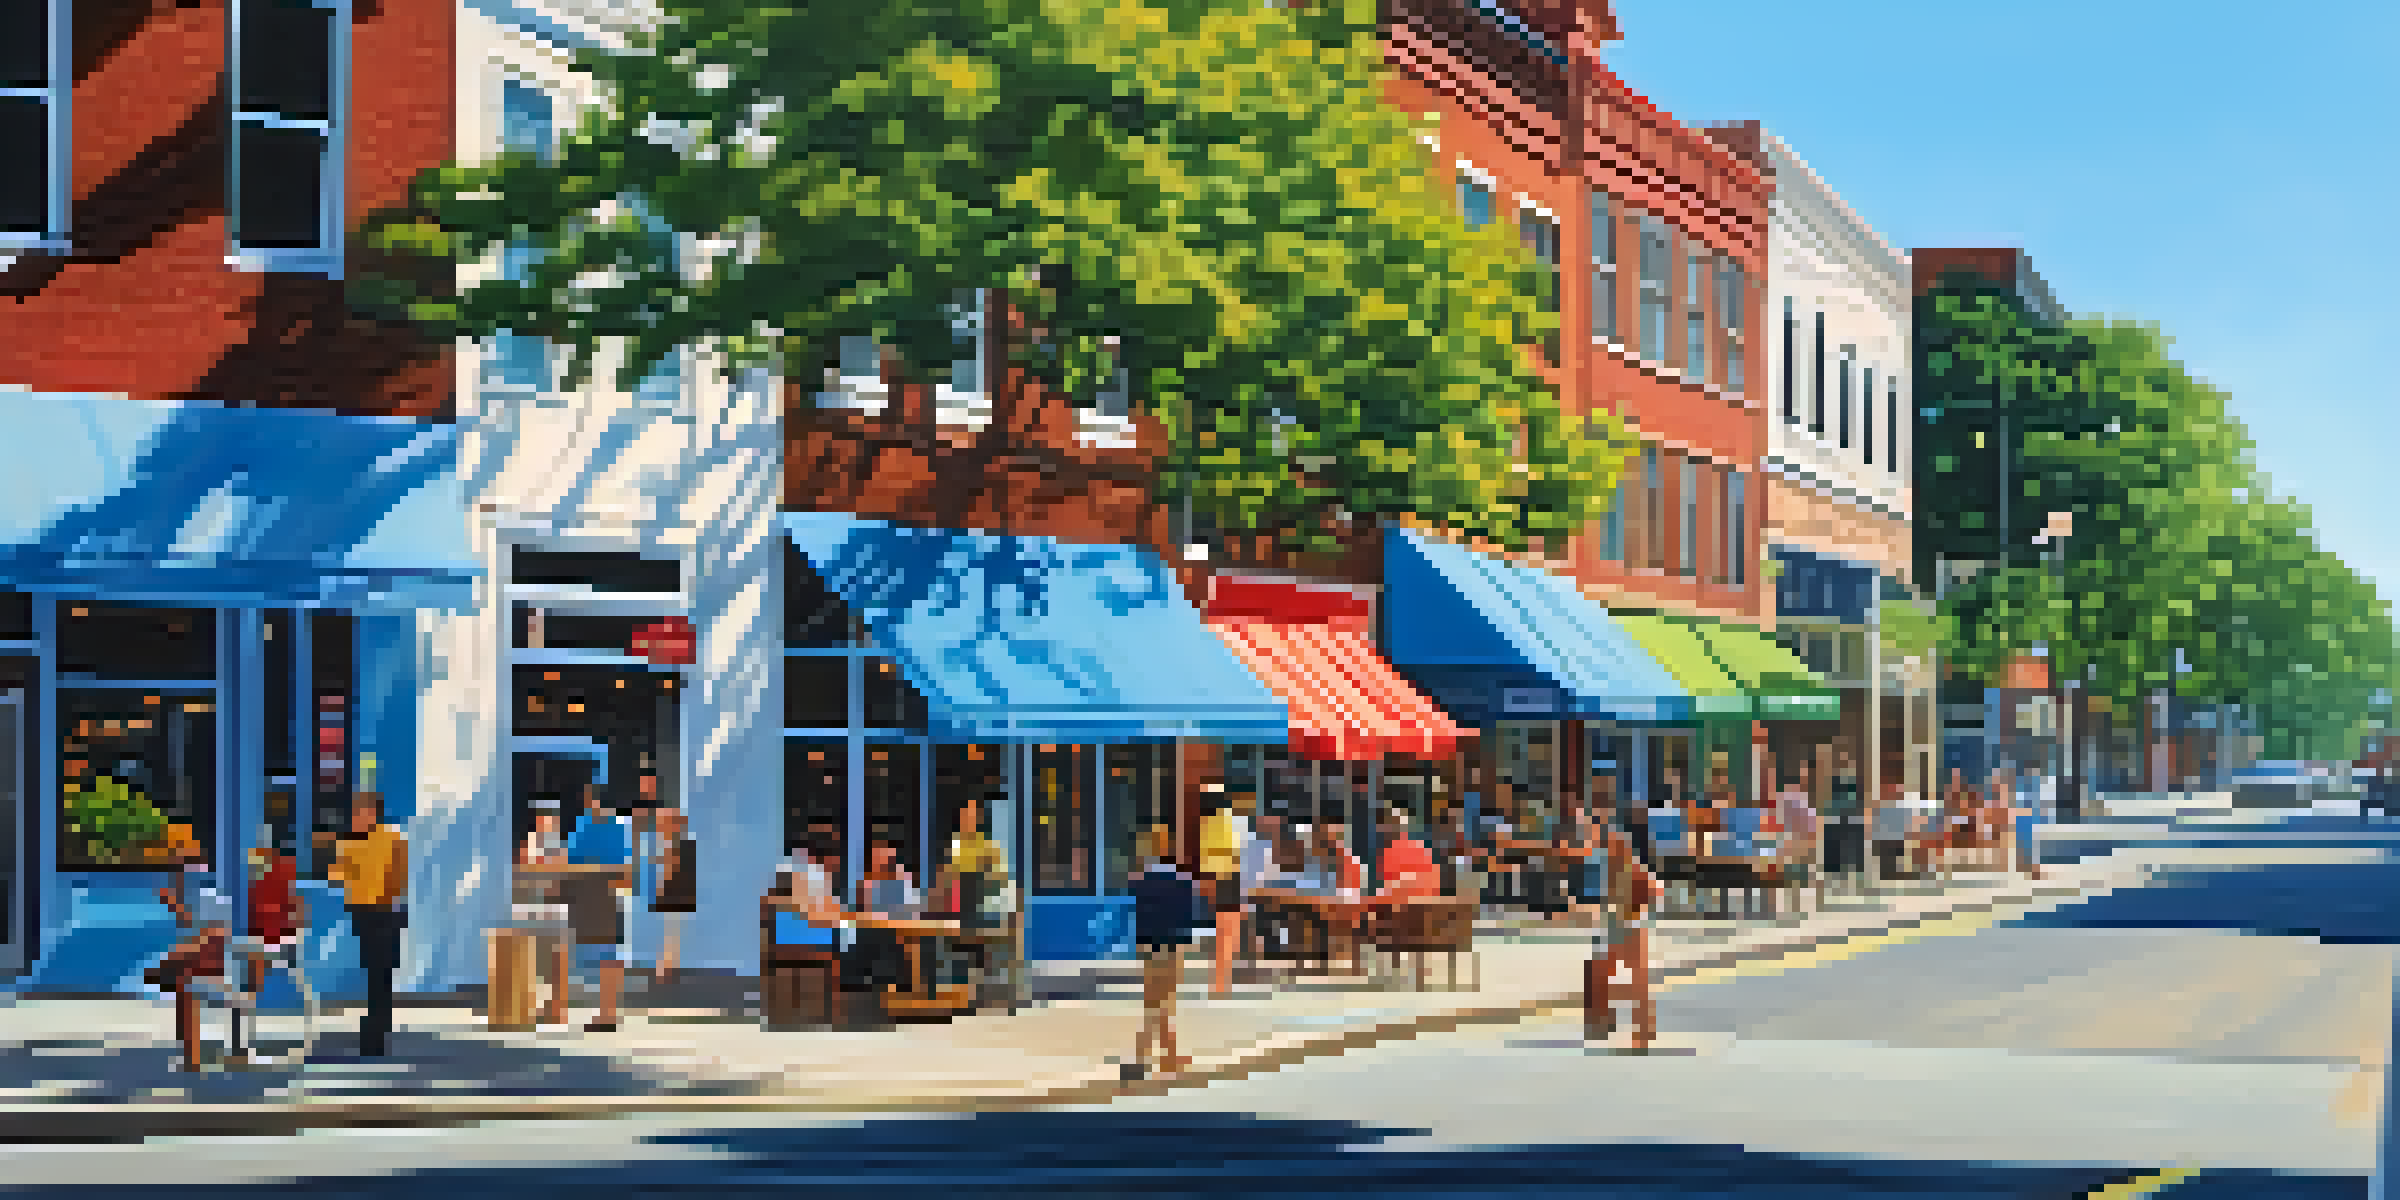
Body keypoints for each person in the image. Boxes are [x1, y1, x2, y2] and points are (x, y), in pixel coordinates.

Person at [326, 791, 408, 1057]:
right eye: (356, 813)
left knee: (382, 973)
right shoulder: (348, 843)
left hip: (385, 911)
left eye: (363, 812)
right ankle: (376, 1032)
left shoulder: (392, 837)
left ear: (374, 813)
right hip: (363, 912)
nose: (358, 817)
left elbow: (400, 875)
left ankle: (376, 1034)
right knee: (375, 971)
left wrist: (379, 892)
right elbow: (336, 875)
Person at [1126, 824, 1204, 1080]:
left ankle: (1166, 1055)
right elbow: (1187, 917)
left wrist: (1139, 944)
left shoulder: (1138, 881)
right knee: (1161, 1002)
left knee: (1155, 1000)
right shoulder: (1184, 880)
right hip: (1172, 946)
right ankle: (1143, 1056)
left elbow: (1137, 917)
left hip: (1149, 945)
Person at [150, 838, 231, 1072]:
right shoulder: (198, 897)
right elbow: (197, 930)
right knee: (184, 987)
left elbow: (213, 938)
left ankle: (191, 1056)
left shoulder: (207, 897)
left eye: (180, 867)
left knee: (185, 986)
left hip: (215, 964)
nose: (177, 874)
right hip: (203, 962)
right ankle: (190, 1055)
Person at [562, 784, 633, 1032]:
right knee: (606, 956)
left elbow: (572, 860)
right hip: (598, 897)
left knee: (607, 957)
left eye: (590, 799)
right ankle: (607, 1013)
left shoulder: (601, 826)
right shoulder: (610, 826)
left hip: (599, 897)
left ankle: (607, 1014)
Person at [1585, 827, 1659, 1051]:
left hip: (1627, 927)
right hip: (1616, 926)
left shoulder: (1629, 868)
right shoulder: (1609, 867)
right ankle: (1603, 1024)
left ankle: (1639, 1029)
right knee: (1600, 974)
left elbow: (1651, 893)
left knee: (1633, 981)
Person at [1197, 786, 1255, 997]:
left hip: (1215, 878)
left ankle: (1221, 980)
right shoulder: (1229, 820)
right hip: (1229, 877)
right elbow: (1238, 854)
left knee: (1223, 931)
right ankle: (1223, 980)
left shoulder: (1205, 824)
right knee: (1229, 931)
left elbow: (1206, 857)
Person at [648, 805, 697, 987]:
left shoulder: (681, 845)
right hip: (672, 894)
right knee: (668, 935)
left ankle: (667, 973)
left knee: (672, 934)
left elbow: (680, 872)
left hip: (677, 895)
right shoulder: (665, 844)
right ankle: (666, 972)